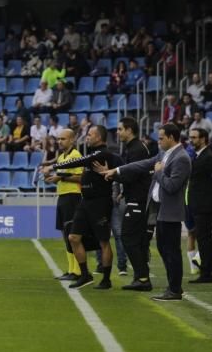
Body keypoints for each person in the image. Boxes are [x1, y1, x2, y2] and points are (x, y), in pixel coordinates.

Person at [96, 124, 191, 301]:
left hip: (171, 211)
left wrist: (159, 173)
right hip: (160, 210)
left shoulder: (182, 158)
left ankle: (175, 289)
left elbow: (172, 186)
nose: (159, 140)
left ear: (171, 137)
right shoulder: (164, 154)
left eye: (162, 138)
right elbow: (143, 164)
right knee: (164, 249)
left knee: (171, 251)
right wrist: (116, 171)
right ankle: (172, 288)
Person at [46, 125, 123, 290]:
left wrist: (54, 167)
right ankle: (84, 274)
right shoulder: (92, 154)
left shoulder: (102, 153)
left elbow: (80, 162)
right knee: (73, 237)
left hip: (100, 202)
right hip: (85, 201)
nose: (87, 137)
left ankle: (106, 279)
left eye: (90, 135)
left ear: (100, 137)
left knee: (103, 241)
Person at [111, 117, 155, 291]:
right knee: (137, 239)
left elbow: (132, 174)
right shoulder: (133, 148)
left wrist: (111, 174)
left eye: (120, 129)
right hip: (135, 197)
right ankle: (140, 276)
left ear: (129, 130)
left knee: (129, 238)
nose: (117, 132)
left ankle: (143, 278)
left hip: (139, 200)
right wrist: (124, 191)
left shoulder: (136, 149)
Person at [186, 127, 212, 284]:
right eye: (191, 137)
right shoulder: (198, 156)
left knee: (204, 239)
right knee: (205, 239)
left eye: (194, 137)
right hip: (199, 204)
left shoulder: (209, 158)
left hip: (205, 205)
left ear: (203, 139)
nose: (191, 140)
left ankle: (207, 273)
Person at [43, 129, 83, 280]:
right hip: (62, 196)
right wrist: (53, 178)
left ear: (72, 140)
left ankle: (78, 271)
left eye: (63, 139)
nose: (60, 141)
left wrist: (60, 178)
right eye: (59, 139)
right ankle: (71, 269)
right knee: (65, 234)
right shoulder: (61, 157)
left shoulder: (76, 156)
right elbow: (61, 176)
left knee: (73, 234)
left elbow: (80, 177)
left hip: (73, 196)